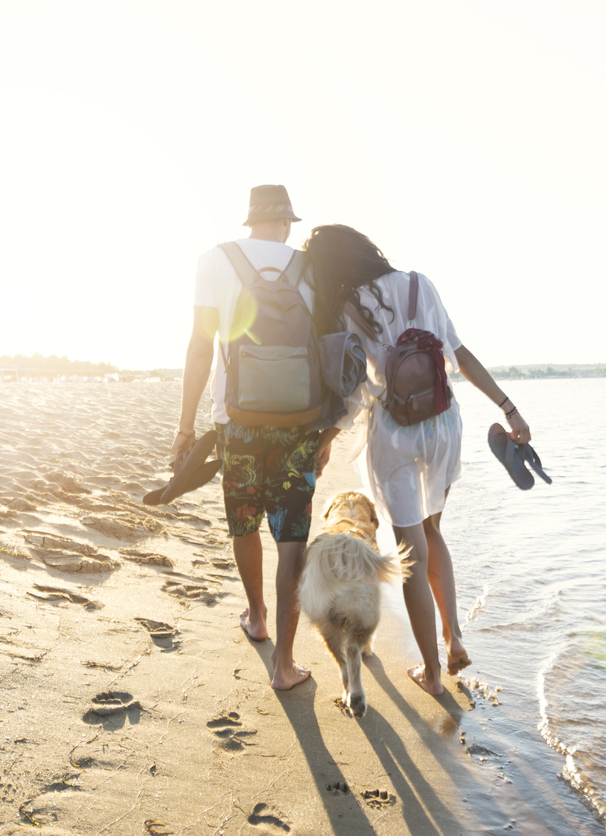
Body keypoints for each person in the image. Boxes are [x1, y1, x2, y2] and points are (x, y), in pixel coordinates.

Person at [304, 224, 532, 697]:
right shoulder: (418, 284)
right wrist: (508, 408)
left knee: (411, 552)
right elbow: (459, 354)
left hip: (393, 432)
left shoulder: (350, 307)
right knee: (433, 533)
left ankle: (431, 674)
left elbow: (357, 395)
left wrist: (325, 439)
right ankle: (454, 638)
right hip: (443, 426)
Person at [171, 185, 338, 691]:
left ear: (250, 220)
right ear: (287, 222)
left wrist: (184, 427)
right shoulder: (310, 266)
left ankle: (257, 615)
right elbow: (330, 352)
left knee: (243, 519)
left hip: (235, 420)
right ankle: (285, 666)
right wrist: (327, 431)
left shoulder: (216, 259)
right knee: (291, 538)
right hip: (299, 422)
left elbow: (201, 346)